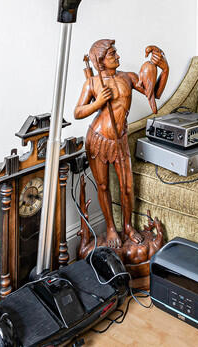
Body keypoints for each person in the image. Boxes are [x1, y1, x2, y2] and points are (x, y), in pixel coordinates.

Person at [73, 39, 168, 248]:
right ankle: (110, 228)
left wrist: (165, 69)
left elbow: (155, 94)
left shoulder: (128, 77)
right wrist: (98, 103)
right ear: (100, 61)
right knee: (103, 185)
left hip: (120, 138)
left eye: (116, 52)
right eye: (112, 54)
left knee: (127, 187)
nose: (117, 56)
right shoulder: (93, 83)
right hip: (98, 139)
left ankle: (127, 226)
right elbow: (77, 112)